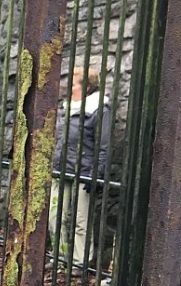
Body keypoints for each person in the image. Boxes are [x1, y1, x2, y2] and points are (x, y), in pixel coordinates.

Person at [48, 66, 112, 275]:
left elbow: (104, 146)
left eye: (74, 83)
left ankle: (78, 263)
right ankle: (59, 257)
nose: (69, 87)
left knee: (80, 221)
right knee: (54, 215)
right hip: (61, 168)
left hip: (83, 172)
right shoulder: (67, 108)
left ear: (86, 87)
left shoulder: (99, 110)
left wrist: (97, 174)